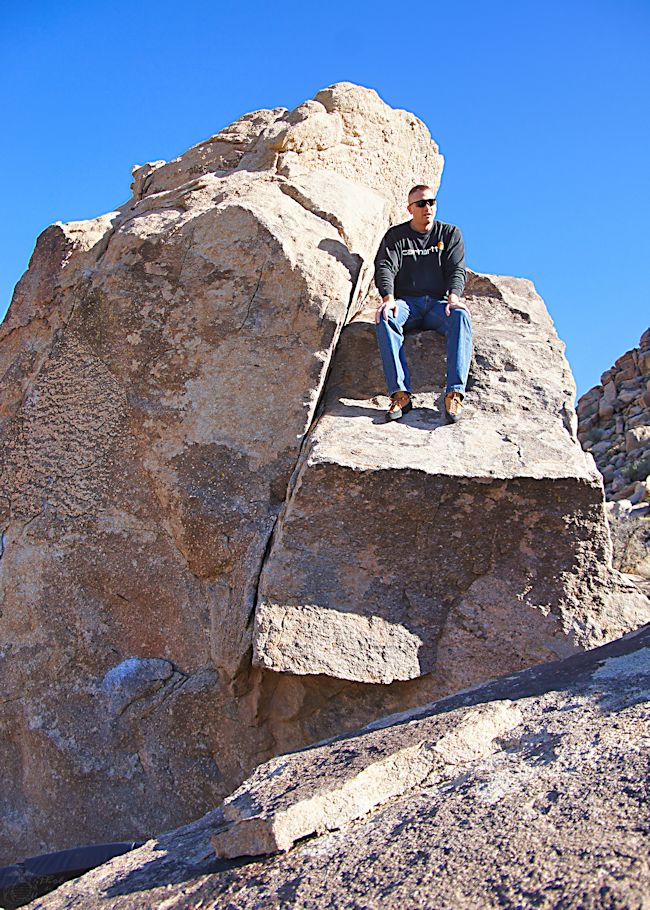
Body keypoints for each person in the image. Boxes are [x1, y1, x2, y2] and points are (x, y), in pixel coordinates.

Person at [374, 184, 472, 422]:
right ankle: (400, 395)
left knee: (461, 317)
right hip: (408, 304)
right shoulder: (396, 236)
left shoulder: (449, 234)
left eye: (431, 202)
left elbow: (457, 269)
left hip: (438, 304)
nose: (427, 207)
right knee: (385, 317)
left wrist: (454, 296)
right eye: (421, 204)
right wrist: (388, 299)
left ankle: (454, 394)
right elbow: (385, 267)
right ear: (410, 209)